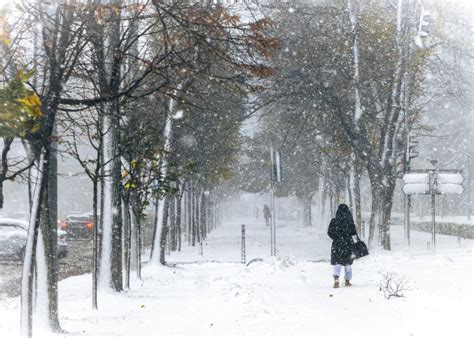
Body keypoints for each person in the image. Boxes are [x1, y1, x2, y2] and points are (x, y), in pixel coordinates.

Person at [327, 204, 358, 288]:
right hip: (348, 244)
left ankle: (336, 278)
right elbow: (354, 233)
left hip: (337, 244)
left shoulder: (334, 221)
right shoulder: (350, 222)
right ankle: (347, 280)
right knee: (347, 263)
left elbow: (329, 232)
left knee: (337, 262)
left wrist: (336, 237)